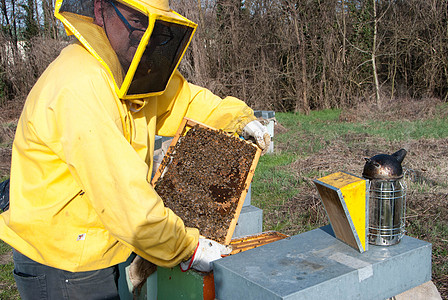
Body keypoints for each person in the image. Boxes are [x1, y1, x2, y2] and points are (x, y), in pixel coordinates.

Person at [0, 0, 270, 299]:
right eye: (135, 20)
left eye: (154, 24)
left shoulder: (129, 70)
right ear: (101, 10)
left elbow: (183, 101)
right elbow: (123, 197)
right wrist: (187, 247)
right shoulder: (80, 84)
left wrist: (237, 118)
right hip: (62, 261)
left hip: (98, 242)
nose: (145, 34)